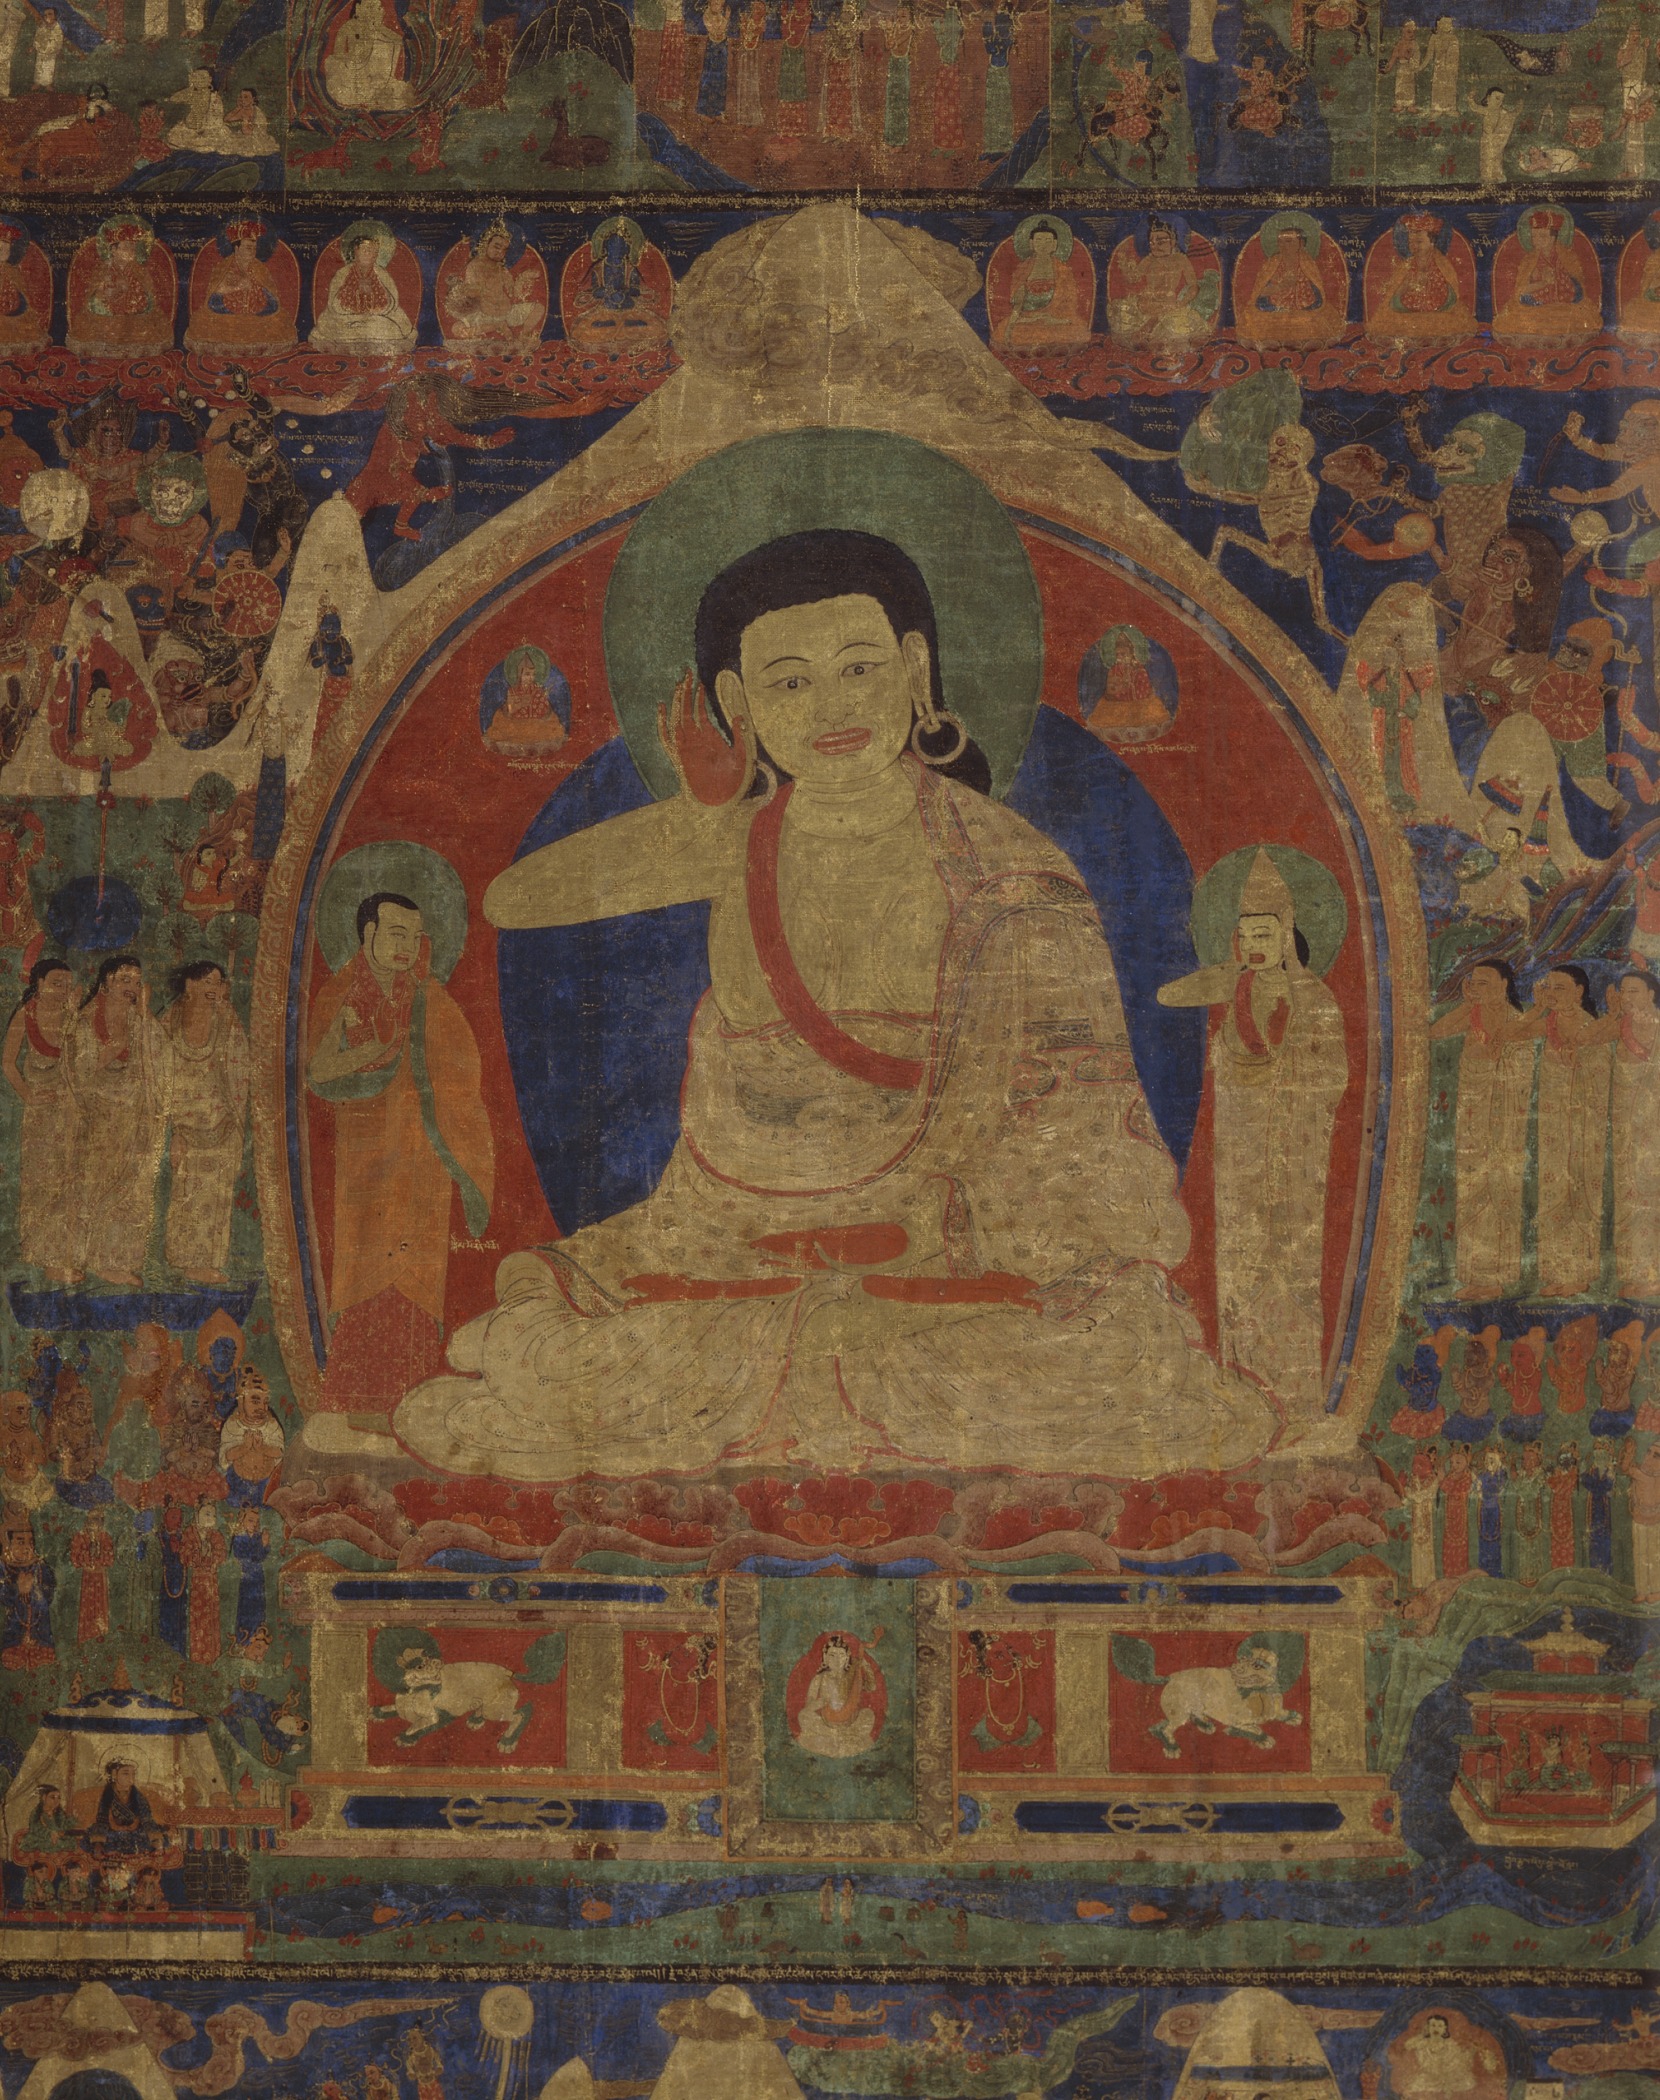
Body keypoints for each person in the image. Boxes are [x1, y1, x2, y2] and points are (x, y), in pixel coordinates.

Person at [395, 529, 1277, 1480]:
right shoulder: (732, 841)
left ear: (916, 668)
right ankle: (805, 1360)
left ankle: (821, 1361)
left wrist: (955, 1231)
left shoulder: (1010, 872)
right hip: (731, 1239)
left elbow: (1075, 1126)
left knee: (1092, 1355)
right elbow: (512, 900)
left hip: (944, 1248)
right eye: (789, 682)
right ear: (737, 703)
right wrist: (698, 817)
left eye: (859, 668)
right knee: (568, 1351)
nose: (831, 707)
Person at [1158, 851, 1347, 1417]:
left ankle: (1293, 1395)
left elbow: (1334, 1074)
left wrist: (1287, 1073)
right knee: (1239, 1260)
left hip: (1293, 1146)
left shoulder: (1314, 998)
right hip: (1240, 1145)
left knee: (1291, 1263)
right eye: (1246, 935)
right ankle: (1243, 1388)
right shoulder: (1235, 986)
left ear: (1287, 934)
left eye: (1265, 933)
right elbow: (1170, 995)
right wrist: (1227, 971)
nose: (1255, 945)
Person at [307, 890, 494, 1422]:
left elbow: (463, 1076)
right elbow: (318, 1071)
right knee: (365, 1269)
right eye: (395, 933)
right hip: (365, 1158)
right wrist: (370, 1051)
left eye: (414, 936)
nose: (406, 946)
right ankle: (358, 1401)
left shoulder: (430, 999)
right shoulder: (342, 994)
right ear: (367, 934)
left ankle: (410, 1402)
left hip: (422, 1161)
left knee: (416, 1274)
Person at [63, 957, 169, 1289]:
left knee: (133, 1192)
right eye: (124, 979)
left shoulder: (141, 1021)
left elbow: (162, 1059)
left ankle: (116, 1262)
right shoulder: (85, 1022)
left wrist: (145, 1017)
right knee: (92, 1187)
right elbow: (79, 1071)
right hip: (98, 1120)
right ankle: (83, 1258)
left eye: (137, 982)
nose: (132, 987)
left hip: (135, 1120)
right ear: (106, 983)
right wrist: (115, 1048)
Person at [1429, 962, 1532, 1300]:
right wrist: (1465, 1004)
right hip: (1472, 1124)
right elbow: (1436, 1032)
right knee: (1471, 1193)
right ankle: (1475, 1276)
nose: (1477, 987)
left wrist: (1492, 1061)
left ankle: (1496, 1279)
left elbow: (1521, 1076)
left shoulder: (1518, 1021)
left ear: (1504, 985)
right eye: (1473, 982)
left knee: (1497, 1192)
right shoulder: (1472, 1014)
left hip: (1503, 1128)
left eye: (1485, 983)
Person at [1523, 969, 1616, 1298]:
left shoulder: (1592, 1027)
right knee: (1553, 1191)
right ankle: (1555, 1273)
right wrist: (1537, 1008)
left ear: (1579, 992)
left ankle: (1579, 1274)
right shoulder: (1549, 1023)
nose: (1552, 993)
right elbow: (1510, 1033)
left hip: (1583, 1128)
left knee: (1579, 1190)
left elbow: (1599, 1071)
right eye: (1548, 987)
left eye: (1560, 988)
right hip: (1553, 1127)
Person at [161, 961, 248, 1286]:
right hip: (183, 1124)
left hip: (221, 1121)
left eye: (218, 982)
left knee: (216, 1196)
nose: (214, 987)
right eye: (207, 981)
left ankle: (208, 1263)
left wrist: (235, 1117)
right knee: (186, 1195)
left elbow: (241, 1064)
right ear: (190, 985)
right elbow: (156, 1067)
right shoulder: (170, 1019)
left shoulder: (226, 1018)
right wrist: (173, 1127)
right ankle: (186, 1262)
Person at [4, 955, 79, 1280]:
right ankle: (47, 1258)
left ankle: (66, 1255)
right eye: (56, 983)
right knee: (42, 1184)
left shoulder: (72, 1015)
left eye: (67, 985)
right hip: (40, 1117)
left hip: (70, 1112)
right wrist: (28, 1095)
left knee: (70, 1183)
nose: (63, 990)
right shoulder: (27, 1014)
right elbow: (7, 1063)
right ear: (40, 983)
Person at [1609, 970, 1660, 1299]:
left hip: (1655, 1131)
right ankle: (1637, 1274)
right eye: (1623, 991)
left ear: (1651, 995)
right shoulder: (1620, 1025)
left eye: (1634, 991)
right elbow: (1583, 1039)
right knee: (1630, 1198)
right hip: (1628, 1129)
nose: (1626, 997)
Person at [310, 225, 416, 354]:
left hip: (377, 319)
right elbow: (334, 304)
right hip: (346, 319)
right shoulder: (343, 273)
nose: (367, 253)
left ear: (376, 254)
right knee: (331, 326)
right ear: (355, 250)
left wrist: (373, 299)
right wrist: (353, 296)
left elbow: (392, 304)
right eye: (364, 249)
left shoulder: (382, 274)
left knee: (390, 327)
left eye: (371, 250)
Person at [441, 220, 542, 346]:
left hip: (507, 313)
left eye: (504, 250)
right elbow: (472, 292)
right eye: (497, 247)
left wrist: (524, 277)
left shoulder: (502, 270)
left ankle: (524, 335)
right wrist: (463, 292)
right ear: (486, 244)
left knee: (538, 308)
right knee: (456, 328)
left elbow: (514, 293)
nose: (500, 252)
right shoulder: (474, 266)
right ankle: (496, 326)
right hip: (484, 315)